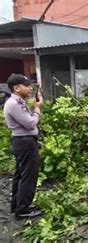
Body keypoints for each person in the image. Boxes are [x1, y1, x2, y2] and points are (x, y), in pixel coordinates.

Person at [4, 74, 43, 219]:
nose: (30, 88)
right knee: (29, 176)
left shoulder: (19, 102)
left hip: (23, 142)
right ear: (16, 88)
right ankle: (23, 209)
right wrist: (37, 109)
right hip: (25, 143)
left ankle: (17, 205)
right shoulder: (14, 104)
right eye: (26, 85)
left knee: (20, 174)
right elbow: (31, 123)